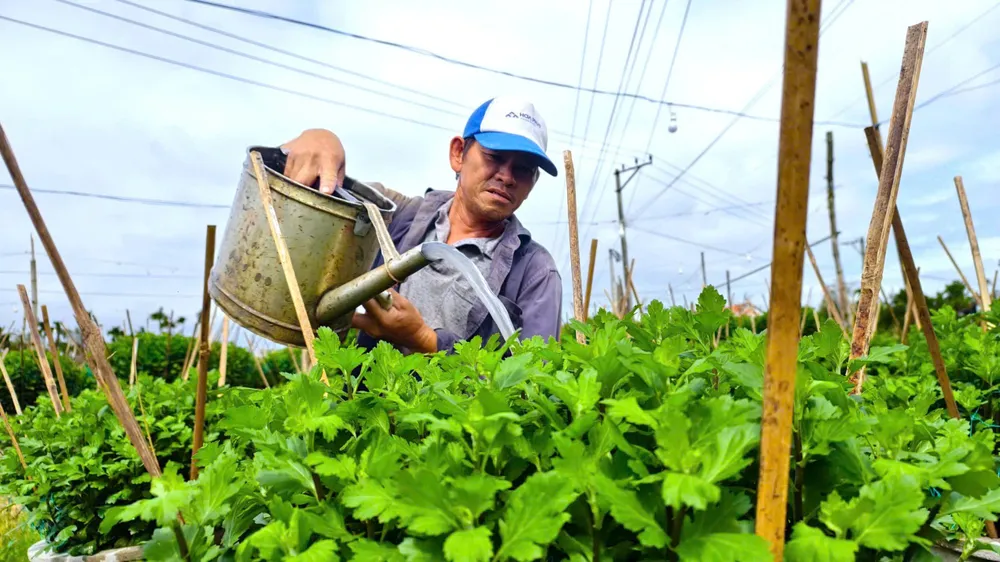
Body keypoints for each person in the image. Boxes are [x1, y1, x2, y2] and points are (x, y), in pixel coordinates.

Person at [278, 96, 563, 354]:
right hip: (368, 396)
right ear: (458, 153)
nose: (507, 177)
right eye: (495, 157)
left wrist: (423, 339)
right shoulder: (397, 216)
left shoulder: (536, 272)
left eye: (523, 169)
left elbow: (535, 380)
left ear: (533, 182)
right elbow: (326, 191)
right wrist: (322, 140)